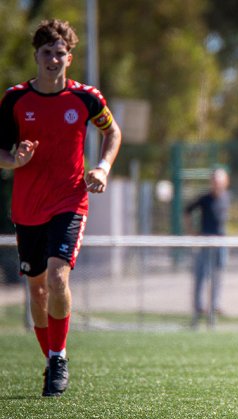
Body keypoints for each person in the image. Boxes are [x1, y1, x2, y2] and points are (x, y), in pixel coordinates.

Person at [0, 19, 122, 396]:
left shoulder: (86, 98)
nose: (54, 59)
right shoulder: (16, 99)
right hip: (27, 207)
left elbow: (112, 132)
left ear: (70, 57)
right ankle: (53, 356)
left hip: (70, 201)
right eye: (47, 53)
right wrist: (14, 161)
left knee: (57, 278)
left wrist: (102, 167)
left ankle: (58, 358)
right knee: (36, 291)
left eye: (60, 53)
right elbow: (1, 154)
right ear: (36, 56)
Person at [184, 168, 230, 329]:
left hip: (221, 243)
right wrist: (192, 232)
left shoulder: (226, 198)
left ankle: (213, 310)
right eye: (215, 182)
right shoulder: (205, 199)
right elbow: (187, 211)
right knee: (201, 276)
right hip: (205, 242)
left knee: (217, 277)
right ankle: (198, 310)